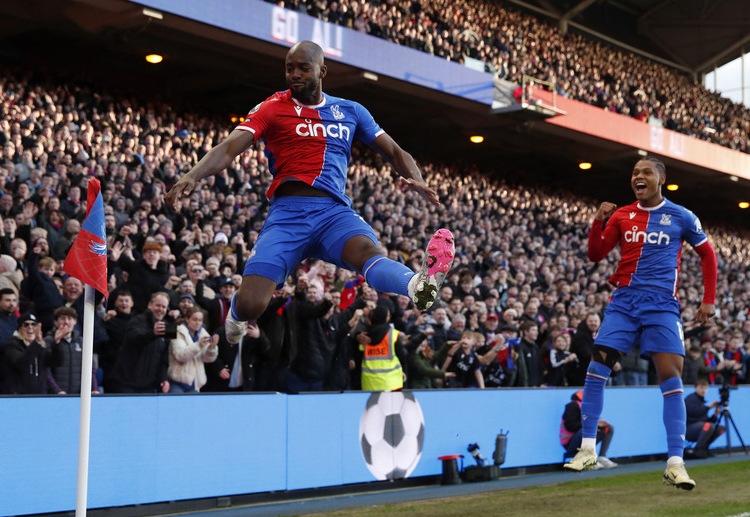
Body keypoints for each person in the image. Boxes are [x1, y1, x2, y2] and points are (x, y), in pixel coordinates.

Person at [165, 41, 455, 347]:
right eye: (289, 68)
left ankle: (415, 285)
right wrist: (192, 175)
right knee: (253, 304)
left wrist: (416, 178)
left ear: (322, 71)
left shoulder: (351, 111)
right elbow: (228, 148)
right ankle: (236, 314)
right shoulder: (272, 108)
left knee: (368, 254)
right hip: (288, 215)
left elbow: (394, 151)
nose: (294, 74)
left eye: (303, 68)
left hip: (333, 213)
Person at [564, 157, 717, 491]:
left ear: (662, 179)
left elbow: (708, 255)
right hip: (625, 302)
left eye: (646, 172)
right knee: (596, 370)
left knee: (671, 378)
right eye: (635, 173)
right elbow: (595, 254)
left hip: (662, 305)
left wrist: (709, 299)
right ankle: (587, 449)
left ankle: (675, 462)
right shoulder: (620, 215)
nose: (639, 176)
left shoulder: (681, 216)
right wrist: (597, 222)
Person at [560, 390, 617, 469]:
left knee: (608, 427)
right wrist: (592, 425)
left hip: (583, 437)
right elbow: (570, 426)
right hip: (570, 442)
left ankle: (602, 457)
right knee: (588, 430)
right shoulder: (572, 406)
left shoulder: (589, 408)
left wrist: (597, 424)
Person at [167, 306, 219, 393]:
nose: (198, 323)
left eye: (200, 320)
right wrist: (199, 345)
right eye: (194, 320)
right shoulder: (176, 331)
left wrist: (212, 347)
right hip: (177, 381)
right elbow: (180, 355)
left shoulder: (203, 333)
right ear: (187, 319)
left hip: (195, 383)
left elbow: (208, 359)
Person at [684, 378, 725, 458]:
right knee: (709, 426)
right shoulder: (690, 399)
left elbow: (707, 421)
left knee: (721, 428)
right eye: (701, 388)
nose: (703, 390)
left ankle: (704, 449)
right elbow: (694, 413)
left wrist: (715, 415)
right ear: (695, 388)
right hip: (689, 429)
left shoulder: (702, 401)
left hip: (699, 427)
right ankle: (697, 450)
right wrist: (709, 407)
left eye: (705, 388)